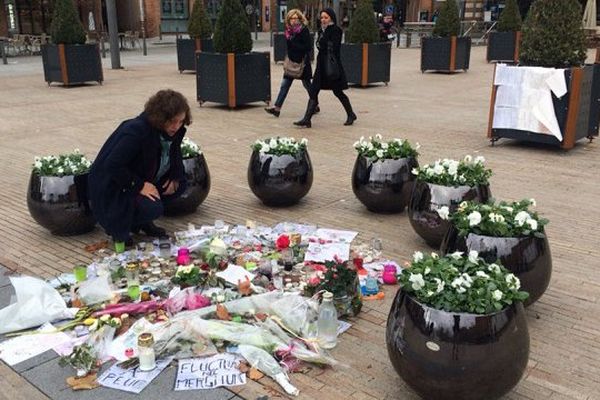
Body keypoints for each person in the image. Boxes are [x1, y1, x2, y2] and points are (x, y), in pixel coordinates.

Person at [88, 89, 191, 246]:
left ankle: (142, 222)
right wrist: (140, 186)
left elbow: (173, 151)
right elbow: (112, 165)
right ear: (161, 117)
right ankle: (119, 228)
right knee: (152, 207)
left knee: (179, 185)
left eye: (180, 121)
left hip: (139, 177)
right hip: (112, 187)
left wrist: (176, 176)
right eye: (172, 121)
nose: (176, 126)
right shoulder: (136, 131)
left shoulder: (169, 131)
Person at [294, 8, 356, 128]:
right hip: (321, 66)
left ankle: (351, 114)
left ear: (331, 18)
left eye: (326, 17)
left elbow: (333, 46)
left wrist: (324, 35)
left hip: (331, 66)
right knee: (313, 91)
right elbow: (320, 45)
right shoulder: (321, 30)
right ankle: (307, 119)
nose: (323, 20)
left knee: (338, 92)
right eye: (322, 17)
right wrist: (322, 34)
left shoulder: (336, 30)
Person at [265, 9, 316, 117]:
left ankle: (314, 104)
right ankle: (277, 108)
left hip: (302, 64)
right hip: (291, 62)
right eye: (291, 18)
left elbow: (307, 47)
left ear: (300, 19)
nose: (293, 21)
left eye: (295, 18)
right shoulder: (289, 32)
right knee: (284, 85)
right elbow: (289, 47)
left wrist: (294, 44)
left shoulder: (303, 30)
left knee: (307, 85)